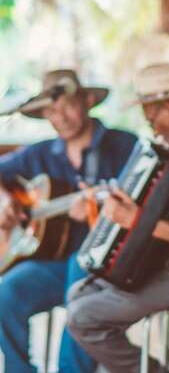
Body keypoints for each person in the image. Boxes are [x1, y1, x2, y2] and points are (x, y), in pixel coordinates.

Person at [66, 62, 169, 373]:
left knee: (83, 316)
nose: (154, 130)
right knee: (78, 291)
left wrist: (137, 221)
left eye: (153, 119)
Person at [0, 69, 137, 373]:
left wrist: (101, 213)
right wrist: (6, 200)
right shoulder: (40, 153)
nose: (60, 117)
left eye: (67, 106)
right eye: (51, 110)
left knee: (80, 280)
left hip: (109, 267)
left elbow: (146, 203)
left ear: (88, 100)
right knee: (5, 292)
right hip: (52, 265)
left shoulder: (124, 146)